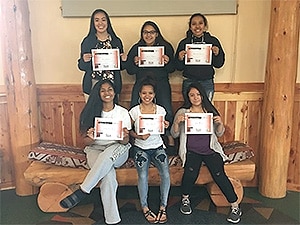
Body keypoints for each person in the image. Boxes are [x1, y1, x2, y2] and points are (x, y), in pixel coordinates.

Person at [60, 79, 131, 225]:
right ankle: (113, 220)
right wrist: (91, 138)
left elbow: (126, 141)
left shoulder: (122, 113)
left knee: (108, 155)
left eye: (110, 89)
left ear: (114, 92)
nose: (107, 93)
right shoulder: (90, 112)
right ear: (98, 93)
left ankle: (83, 190)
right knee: (108, 176)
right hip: (94, 149)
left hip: (118, 148)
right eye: (103, 90)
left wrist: (124, 137)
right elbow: (85, 142)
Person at [170, 82, 242, 224]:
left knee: (219, 174)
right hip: (191, 151)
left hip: (210, 150)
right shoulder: (183, 112)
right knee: (190, 172)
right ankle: (185, 199)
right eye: (192, 95)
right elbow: (174, 134)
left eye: (198, 94)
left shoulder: (209, 111)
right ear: (188, 97)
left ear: (203, 95)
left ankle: (235, 206)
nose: (195, 97)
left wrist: (220, 123)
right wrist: (177, 123)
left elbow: (219, 133)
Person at [125, 21, 176, 153]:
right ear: (142, 34)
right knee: (135, 110)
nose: (148, 35)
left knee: (166, 111)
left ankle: (168, 137)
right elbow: (129, 70)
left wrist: (168, 61)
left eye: (152, 32)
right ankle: (135, 139)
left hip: (162, 84)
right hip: (142, 85)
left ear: (157, 33)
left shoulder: (166, 47)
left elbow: (173, 69)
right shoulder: (136, 48)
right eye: (145, 32)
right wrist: (134, 62)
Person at [129, 78, 170, 224]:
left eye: (150, 93)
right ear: (139, 94)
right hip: (141, 148)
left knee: (165, 173)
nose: (147, 96)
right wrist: (138, 135)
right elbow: (128, 131)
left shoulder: (160, 110)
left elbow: (164, 127)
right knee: (142, 176)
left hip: (158, 146)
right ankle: (145, 207)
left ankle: (163, 206)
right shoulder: (134, 111)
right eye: (144, 93)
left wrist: (166, 124)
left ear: (154, 94)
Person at [77, 9, 127, 101]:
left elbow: (122, 67)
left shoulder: (116, 41)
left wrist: (124, 60)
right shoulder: (88, 41)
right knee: (93, 113)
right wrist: (84, 60)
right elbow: (81, 66)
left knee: (111, 114)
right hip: (93, 84)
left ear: (108, 22)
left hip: (113, 84)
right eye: (97, 20)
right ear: (93, 23)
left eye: (103, 20)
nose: (100, 23)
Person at [175, 13, 225, 101]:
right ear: (190, 27)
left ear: (205, 26)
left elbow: (219, 64)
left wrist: (217, 54)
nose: (197, 26)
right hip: (189, 81)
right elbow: (178, 67)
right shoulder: (184, 43)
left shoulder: (213, 41)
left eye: (200, 23)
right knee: (189, 109)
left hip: (207, 81)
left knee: (206, 109)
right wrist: (179, 58)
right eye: (194, 24)